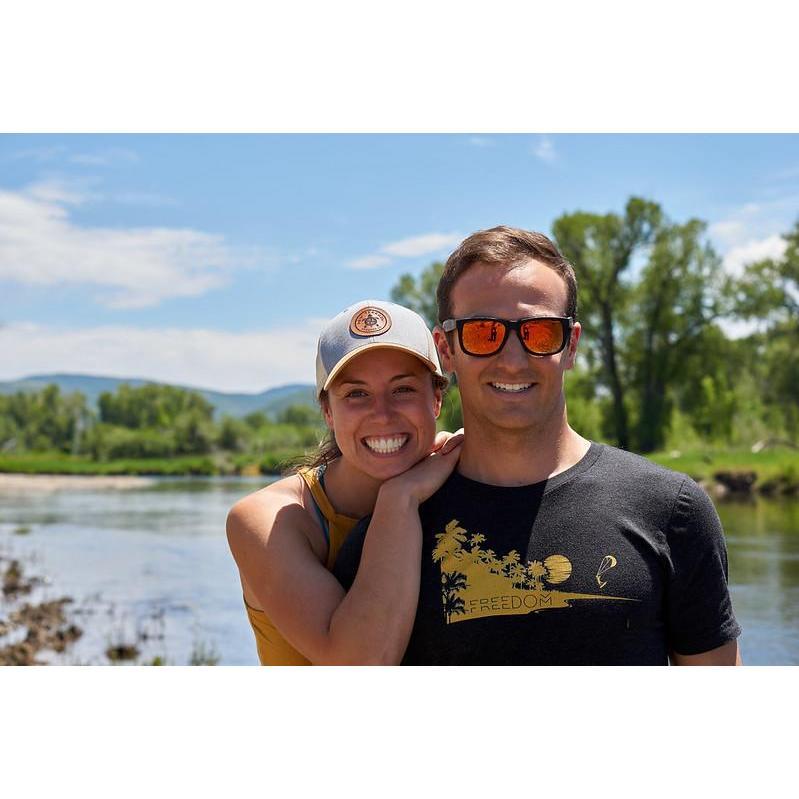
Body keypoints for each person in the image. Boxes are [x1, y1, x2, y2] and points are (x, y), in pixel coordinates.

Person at [334, 227, 742, 665]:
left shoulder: (671, 511)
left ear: (571, 345)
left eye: (541, 332)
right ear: (445, 349)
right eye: (483, 333)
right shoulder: (389, 532)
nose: (512, 359)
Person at [226, 299, 463, 665]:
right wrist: (399, 498)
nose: (382, 414)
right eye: (357, 394)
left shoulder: (457, 482)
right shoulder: (267, 520)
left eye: (402, 390)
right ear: (328, 412)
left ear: (436, 399)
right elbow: (357, 663)